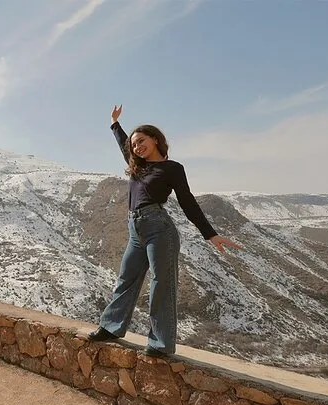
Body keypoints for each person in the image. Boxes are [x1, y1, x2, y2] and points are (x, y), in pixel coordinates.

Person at [88, 105, 242, 356]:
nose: (136, 147)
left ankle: (160, 344)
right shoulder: (137, 166)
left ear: (155, 139)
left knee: (161, 284)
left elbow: (187, 201)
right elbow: (123, 143)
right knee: (126, 279)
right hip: (135, 230)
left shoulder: (172, 168)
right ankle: (111, 327)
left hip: (158, 229)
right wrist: (114, 123)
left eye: (141, 141)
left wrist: (210, 234)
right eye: (134, 144)